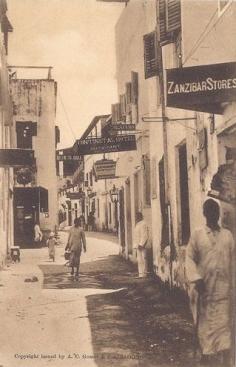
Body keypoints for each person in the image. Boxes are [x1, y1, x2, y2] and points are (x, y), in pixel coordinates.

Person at [186, 199, 235, 366]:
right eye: (209, 212)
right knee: (206, 329)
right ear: (205, 214)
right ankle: (206, 358)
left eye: (215, 211)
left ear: (218, 214)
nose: (213, 215)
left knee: (224, 329)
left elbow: (233, 262)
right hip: (204, 291)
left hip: (223, 292)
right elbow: (190, 259)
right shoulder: (198, 234)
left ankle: (226, 360)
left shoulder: (227, 236)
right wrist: (196, 279)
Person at [133, 212, 149, 278]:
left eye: (137, 216)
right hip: (138, 244)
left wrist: (141, 244)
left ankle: (144, 274)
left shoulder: (143, 224)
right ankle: (140, 274)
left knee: (143, 259)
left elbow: (144, 235)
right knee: (139, 259)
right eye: (136, 216)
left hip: (142, 245)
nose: (136, 218)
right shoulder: (138, 224)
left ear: (140, 217)